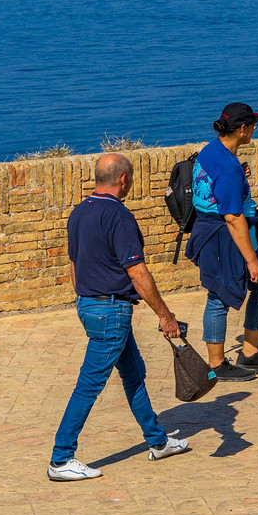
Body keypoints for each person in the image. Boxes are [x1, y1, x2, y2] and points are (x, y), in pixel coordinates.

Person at [48, 153, 190, 481]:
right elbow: (137, 272)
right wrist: (165, 316)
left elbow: (74, 264)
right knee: (88, 385)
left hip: (89, 305)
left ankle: (158, 442)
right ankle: (61, 458)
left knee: (134, 374)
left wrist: (87, 299)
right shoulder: (119, 216)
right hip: (111, 312)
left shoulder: (79, 213)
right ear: (124, 180)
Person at [189, 103, 258, 382]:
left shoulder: (213, 151)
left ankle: (250, 352)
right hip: (223, 237)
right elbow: (232, 217)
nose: (255, 130)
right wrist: (252, 261)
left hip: (219, 231)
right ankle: (217, 364)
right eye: (253, 126)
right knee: (219, 296)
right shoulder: (228, 168)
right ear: (242, 129)